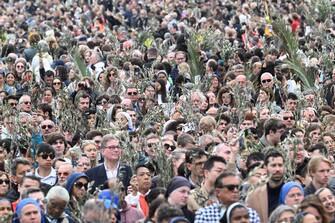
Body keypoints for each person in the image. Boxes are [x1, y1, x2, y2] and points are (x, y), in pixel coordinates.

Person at [195, 171, 260, 223]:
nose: (235, 190)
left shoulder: (250, 213)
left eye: (237, 187)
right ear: (218, 192)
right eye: (230, 187)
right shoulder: (205, 214)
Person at [246, 149, 285, 222]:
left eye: (280, 165)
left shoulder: (290, 191)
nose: (277, 169)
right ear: (265, 167)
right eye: (273, 165)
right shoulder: (255, 195)